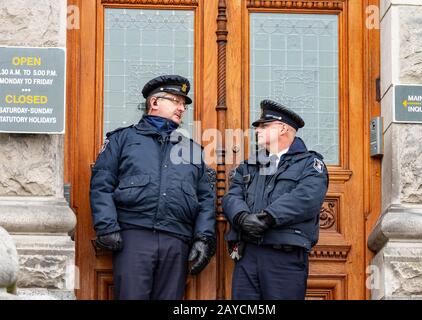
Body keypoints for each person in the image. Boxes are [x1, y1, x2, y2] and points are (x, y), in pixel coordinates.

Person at [90, 75, 217, 300]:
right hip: (133, 237)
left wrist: (203, 237)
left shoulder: (192, 150)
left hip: (177, 240)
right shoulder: (122, 140)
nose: (181, 108)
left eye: (183, 104)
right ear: (154, 103)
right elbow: (102, 184)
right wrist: (107, 228)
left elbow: (206, 198)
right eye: (176, 101)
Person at [222, 99, 329, 300]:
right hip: (248, 254)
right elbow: (231, 196)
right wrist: (242, 218)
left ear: (282, 128)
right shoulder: (250, 165)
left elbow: (306, 198)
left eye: (264, 126)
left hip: (284, 258)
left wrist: (268, 217)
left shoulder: (310, 164)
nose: (257, 130)